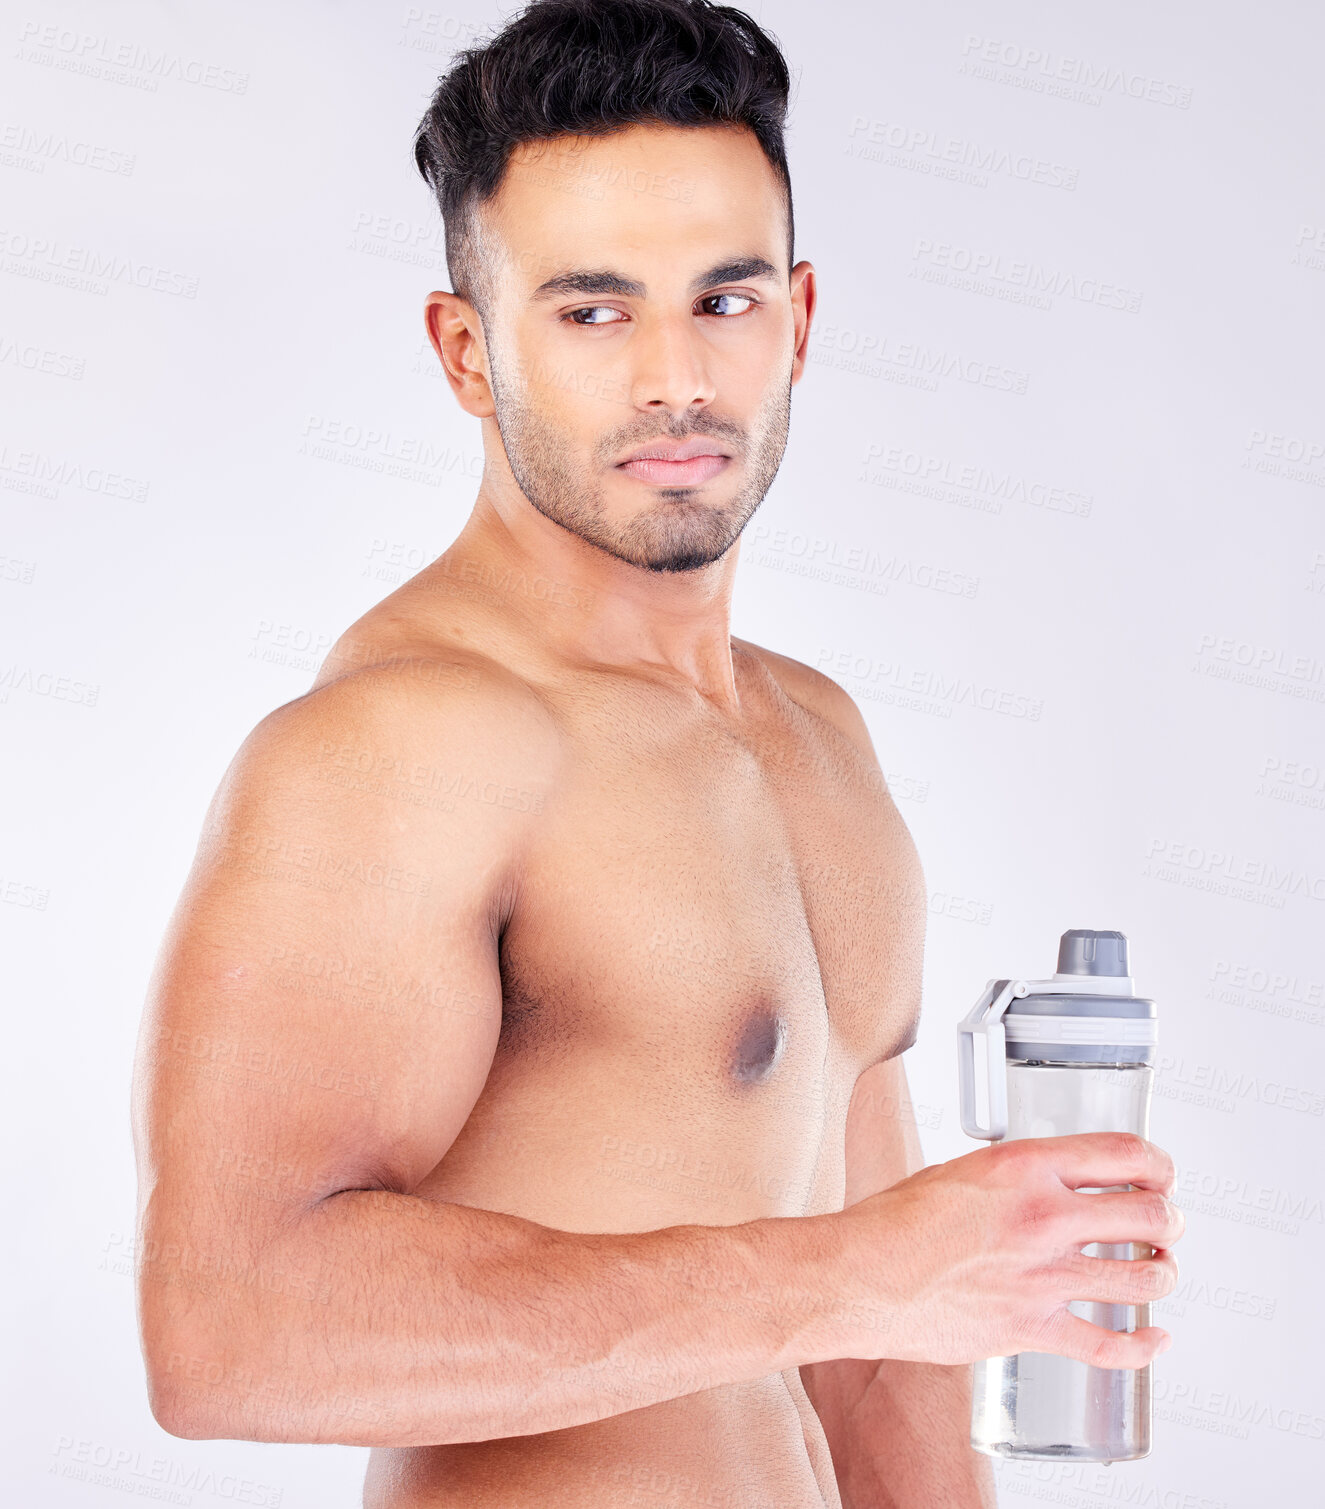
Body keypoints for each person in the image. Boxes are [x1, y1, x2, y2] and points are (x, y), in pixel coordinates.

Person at [130, 2, 1184, 1504]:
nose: (674, 377)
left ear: (801, 319)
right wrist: (845, 1270)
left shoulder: (817, 735)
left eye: (725, 298)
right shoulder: (402, 744)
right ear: (465, 352)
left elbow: (877, 1355)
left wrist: (879, 1277)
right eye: (592, 310)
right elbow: (230, 1330)